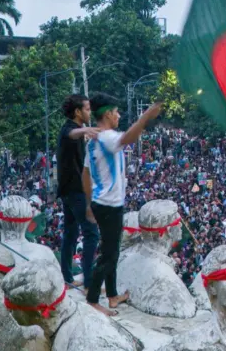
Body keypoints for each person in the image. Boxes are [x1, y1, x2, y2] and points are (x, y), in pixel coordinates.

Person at [81, 92, 163, 315]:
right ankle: (93, 300)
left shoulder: (93, 141)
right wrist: (145, 116)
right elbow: (127, 138)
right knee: (109, 255)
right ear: (107, 114)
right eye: (116, 112)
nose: (118, 116)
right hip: (109, 205)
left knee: (111, 250)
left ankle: (112, 295)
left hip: (101, 202)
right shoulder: (106, 137)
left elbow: (85, 174)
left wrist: (89, 203)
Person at [56, 94, 101, 290]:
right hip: (75, 191)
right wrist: (86, 130)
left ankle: (67, 276)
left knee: (71, 232)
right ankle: (89, 281)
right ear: (77, 112)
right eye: (87, 109)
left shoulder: (76, 131)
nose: (90, 112)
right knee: (91, 233)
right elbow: (71, 134)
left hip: (70, 190)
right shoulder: (69, 129)